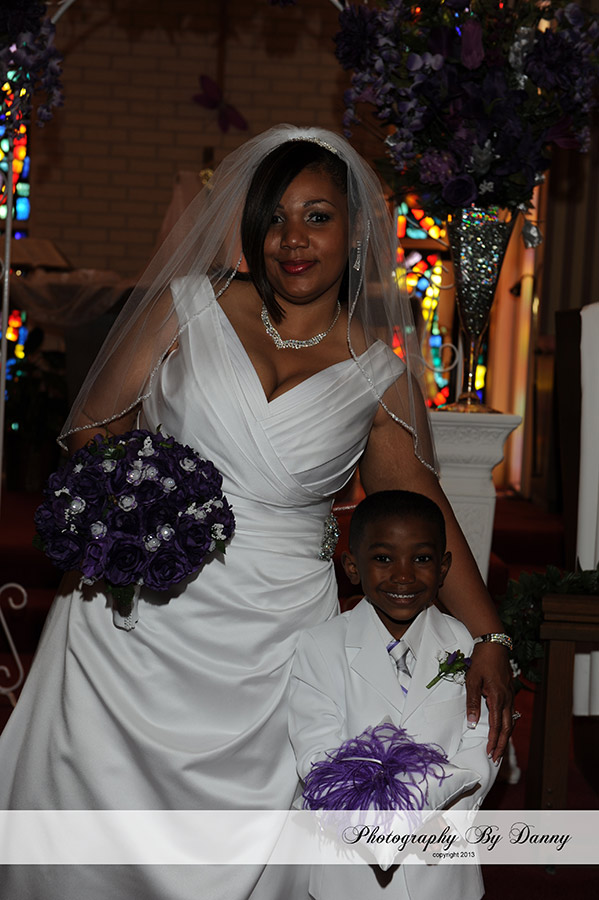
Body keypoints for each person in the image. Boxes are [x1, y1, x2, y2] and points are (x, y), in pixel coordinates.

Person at [0, 125, 512, 900]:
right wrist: (141, 509)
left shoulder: (376, 377)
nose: (291, 239)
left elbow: (423, 510)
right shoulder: (186, 308)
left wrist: (489, 636)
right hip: (134, 621)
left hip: (275, 639)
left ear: (355, 232)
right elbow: (91, 433)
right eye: (274, 218)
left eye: (316, 217)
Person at [289, 489, 498, 900]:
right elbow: (316, 750)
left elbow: (482, 738)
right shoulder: (321, 645)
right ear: (352, 566)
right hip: (353, 869)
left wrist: (445, 817)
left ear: (443, 567)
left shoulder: (463, 642)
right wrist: (381, 825)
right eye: (384, 558)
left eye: (422, 559)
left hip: (442, 859)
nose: (403, 575)